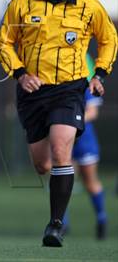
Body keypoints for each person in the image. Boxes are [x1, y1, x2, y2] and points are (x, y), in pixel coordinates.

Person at [0, 0, 117, 247]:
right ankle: (59, 201)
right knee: (43, 164)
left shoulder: (89, 5)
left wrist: (99, 74)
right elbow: (3, 42)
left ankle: (56, 225)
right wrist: (21, 74)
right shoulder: (21, 3)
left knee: (62, 149)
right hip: (32, 92)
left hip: (70, 89)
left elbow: (109, 39)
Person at [62, 55, 107, 240]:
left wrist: (70, 122)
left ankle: (101, 217)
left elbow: (92, 112)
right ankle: (61, 223)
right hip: (65, 140)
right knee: (62, 179)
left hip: (84, 139)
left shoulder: (86, 85)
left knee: (90, 182)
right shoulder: (57, 87)